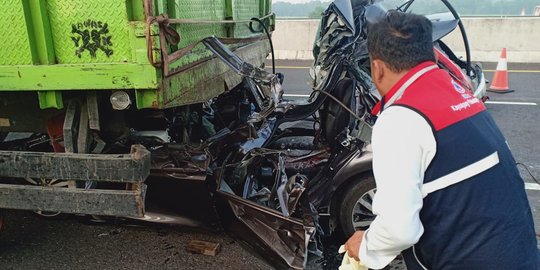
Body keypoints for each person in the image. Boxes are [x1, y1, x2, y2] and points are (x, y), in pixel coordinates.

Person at [344, 10, 539, 270]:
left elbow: (399, 228)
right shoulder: (460, 94)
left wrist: (366, 245)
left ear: (377, 68)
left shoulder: (401, 118)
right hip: (519, 254)